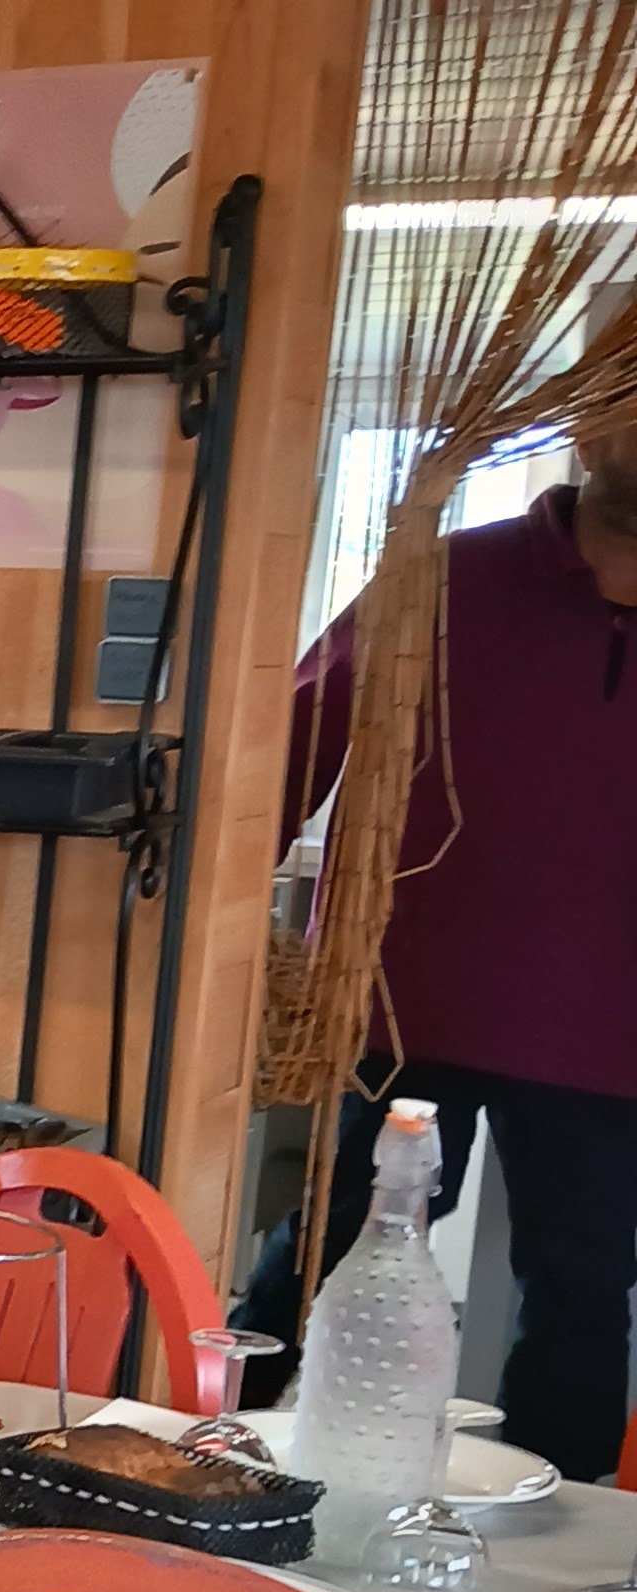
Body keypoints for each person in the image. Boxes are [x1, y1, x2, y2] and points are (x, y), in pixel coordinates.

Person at [236, 415, 637, 1476]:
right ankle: (213, 1448)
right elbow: (291, 742)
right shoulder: (444, 578)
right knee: (326, 1239)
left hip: (612, 1025)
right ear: (591, 428)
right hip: (408, 995)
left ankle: (563, 1527)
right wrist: (214, 923)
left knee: (584, 1283)